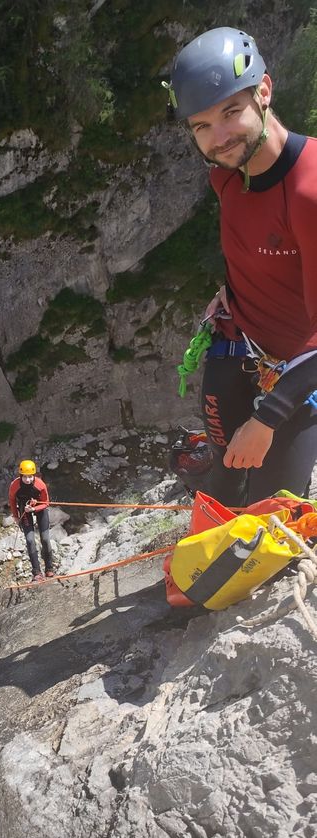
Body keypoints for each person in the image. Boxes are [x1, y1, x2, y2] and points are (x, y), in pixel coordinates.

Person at [163, 26, 317, 505]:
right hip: (233, 348)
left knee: (271, 515)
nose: (219, 138)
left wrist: (268, 417)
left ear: (264, 90)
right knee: (224, 485)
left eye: (231, 112)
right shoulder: (226, 177)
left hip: (296, 377)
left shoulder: (310, 191)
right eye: (201, 126)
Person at [8, 459, 55, 581]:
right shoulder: (15, 486)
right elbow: (12, 501)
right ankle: (37, 572)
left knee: (45, 538)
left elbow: (46, 503)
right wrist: (16, 516)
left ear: (34, 475)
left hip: (38, 508)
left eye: (30, 477)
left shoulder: (40, 485)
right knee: (30, 540)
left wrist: (34, 509)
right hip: (25, 509)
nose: (28, 480)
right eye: (25, 477)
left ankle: (49, 568)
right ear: (21, 476)